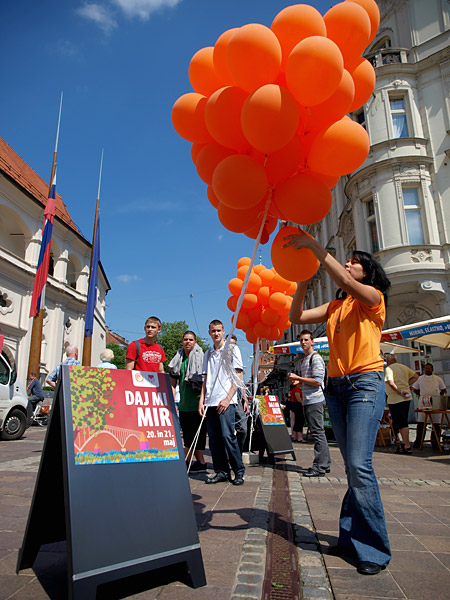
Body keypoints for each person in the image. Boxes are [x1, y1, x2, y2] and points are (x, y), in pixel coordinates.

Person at [286, 228, 391, 576]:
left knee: (360, 466)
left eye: (355, 262)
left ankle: (373, 550)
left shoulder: (372, 298)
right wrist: (302, 278)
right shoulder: (335, 306)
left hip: (365, 383)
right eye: (348, 261)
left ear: (367, 272)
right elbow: (296, 317)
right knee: (352, 468)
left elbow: (344, 278)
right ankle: (351, 537)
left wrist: (315, 247)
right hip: (337, 387)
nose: (349, 264)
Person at [199, 320, 245, 485]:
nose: (216, 333)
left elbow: (238, 376)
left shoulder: (232, 349)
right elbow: (205, 378)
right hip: (210, 401)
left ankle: (238, 470)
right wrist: (201, 400)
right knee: (213, 439)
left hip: (226, 401)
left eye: (219, 330)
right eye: (213, 331)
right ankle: (221, 471)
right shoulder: (208, 353)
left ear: (223, 330)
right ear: (209, 332)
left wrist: (228, 398)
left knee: (227, 437)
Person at [289, 329, 331, 475]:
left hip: (315, 400)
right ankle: (325, 463)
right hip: (308, 400)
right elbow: (309, 382)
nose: (303, 342)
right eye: (301, 340)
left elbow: (317, 382)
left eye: (306, 340)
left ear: (312, 342)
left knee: (317, 433)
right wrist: (298, 382)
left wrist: (299, 379)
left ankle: (320, 466)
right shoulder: (304, 360)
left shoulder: (316, 358)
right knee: (317, 432)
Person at [169, 330, 207, 473]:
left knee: (192, 438)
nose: (188, 342)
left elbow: (205, 382)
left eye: (191, 340)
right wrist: (172, 402)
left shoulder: (201, 358)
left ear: (195, 342)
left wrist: (202, 402)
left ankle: (184, 463)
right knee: (189, 436)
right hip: (184, 404)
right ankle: (202, 463)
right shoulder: (178, 359)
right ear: (182, 342)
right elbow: (172, 383)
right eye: (185, 339)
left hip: (197, 404)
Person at [384, 354, 418, 454]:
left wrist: (399, 391)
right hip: (407, 398)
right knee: (402, 421)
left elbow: (390, 382)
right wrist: (407, 384)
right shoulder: (403, 367)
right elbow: (416, 376)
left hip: (395, 399)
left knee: (401, 422)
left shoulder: (389, 368)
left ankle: (406, 446)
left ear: (388, 361)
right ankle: (402, 444)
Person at [412, 363, 447, 449]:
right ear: (424, 370)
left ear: (432, 369)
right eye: (426, 368)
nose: (428, 370)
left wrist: (438, 397)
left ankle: (435, 443)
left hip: (435, 402)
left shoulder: (438, 379)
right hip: (423, 402)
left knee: (436, 423)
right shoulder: (420, 379)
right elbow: (414, 388)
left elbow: (443, 389)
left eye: (429, 368)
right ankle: (418, 442)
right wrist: (421, 395)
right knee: (421, 423)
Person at [227, 334, 249, 454]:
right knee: (227, 430)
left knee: (243, 428)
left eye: (234, 344)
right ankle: (229, 455)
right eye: (229, 344)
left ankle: (237, 452)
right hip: (226, 398)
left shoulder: (237, 360)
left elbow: (241, 382)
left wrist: (245, 399)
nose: (232, 347)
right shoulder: (222, 359)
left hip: (238, 397)